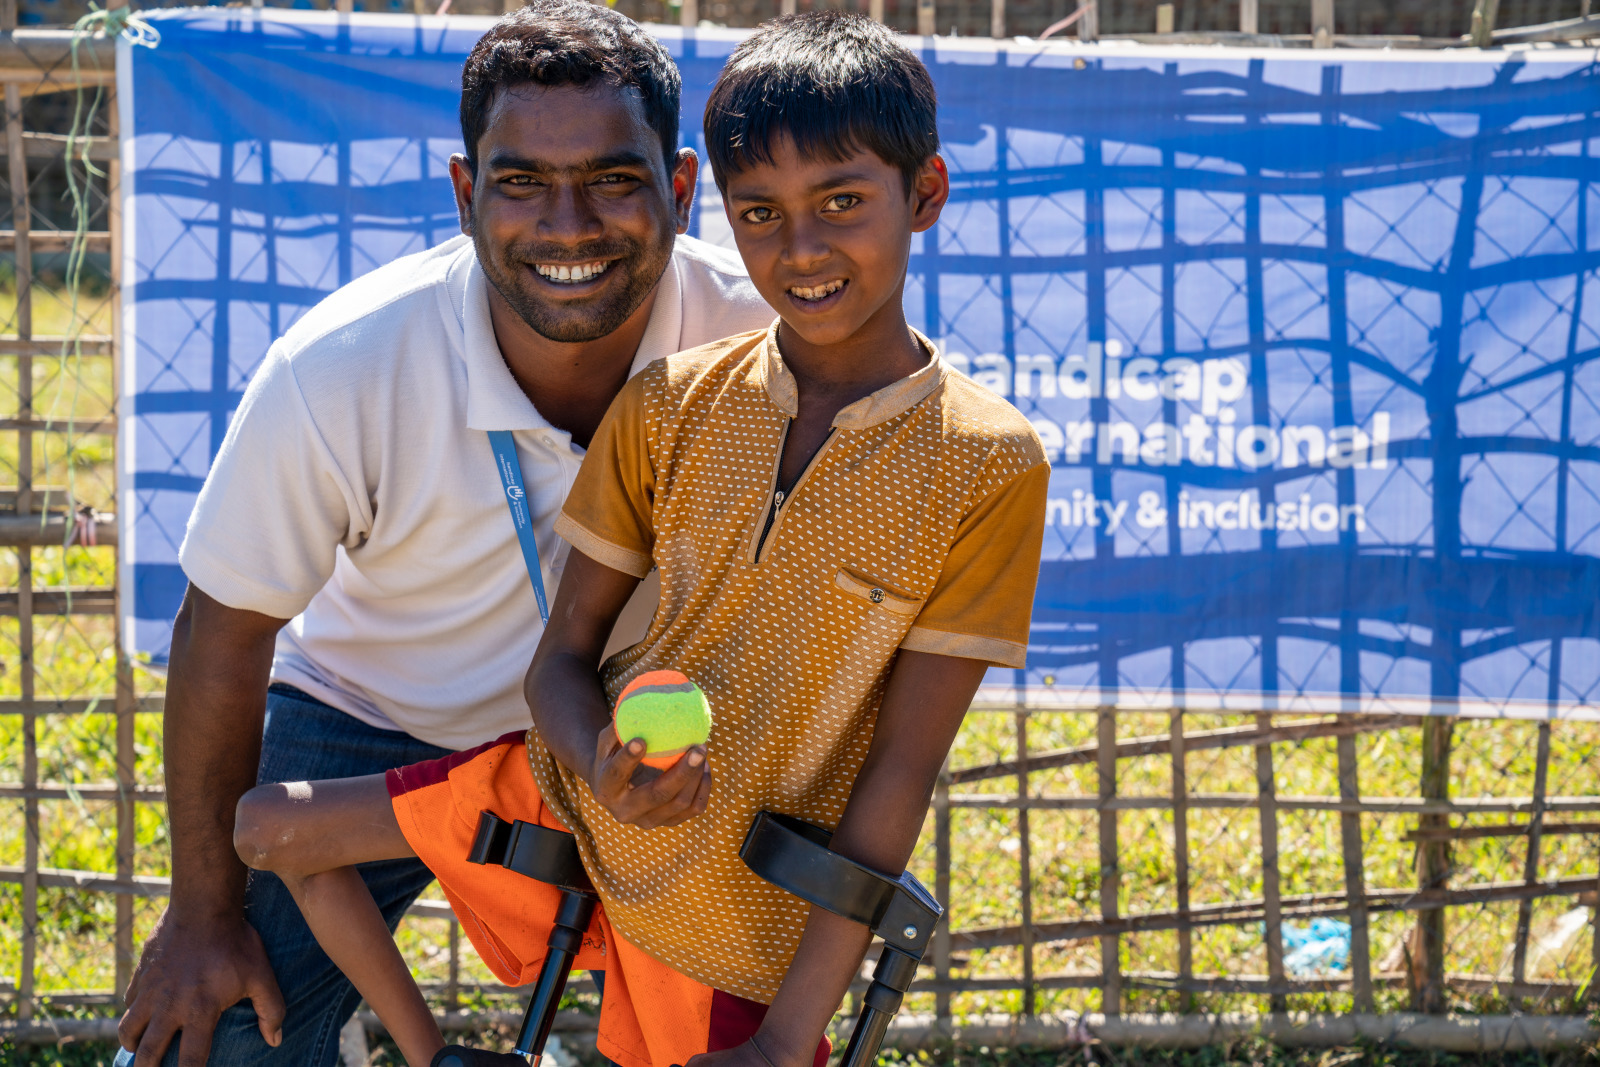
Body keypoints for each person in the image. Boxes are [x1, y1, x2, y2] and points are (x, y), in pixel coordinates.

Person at [231, 13, 1049, 1067]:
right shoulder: (670, 401)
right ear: (723, 212)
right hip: (572, 791)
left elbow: (900, 769)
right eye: (762, 214)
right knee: (270, 824)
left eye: (842, 203)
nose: (800, 249)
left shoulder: (986, 461)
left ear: (924, 195)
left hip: (735, 897)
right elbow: (562, 661)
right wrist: (598, 762)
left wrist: (790, 1034)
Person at [115, 4, 773, 1065]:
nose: (568, 226)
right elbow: (222, 633)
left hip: (628, 738)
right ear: (466, 194)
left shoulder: (761, 339)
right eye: (520, 183)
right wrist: (201, 912)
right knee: (226, 1041)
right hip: (376, 711)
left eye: (612, 178)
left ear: (681, 189)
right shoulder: (343, 362)